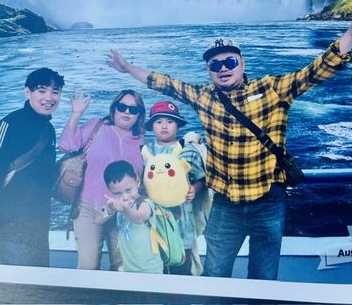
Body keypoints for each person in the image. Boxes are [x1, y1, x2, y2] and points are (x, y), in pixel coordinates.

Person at [107, 24, 352, 280]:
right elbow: (166, 84)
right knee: (214, 274)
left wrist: (349, 35)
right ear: (209, 70)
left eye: (230, 62)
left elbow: (315, 71)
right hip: (225, 204)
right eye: (215, 65)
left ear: (242, 64)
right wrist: (128, 68)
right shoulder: (204, 96)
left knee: (264, 277)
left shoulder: (271, 89)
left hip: (267, 202)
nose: (223, 68)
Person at [0, 67, 65, 267]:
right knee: (19, 281)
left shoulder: (48, 129)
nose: (49, 98)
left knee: (39, 279)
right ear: (28, 92)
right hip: (9, 221)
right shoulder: (9, 124)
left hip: (39, 221)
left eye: (55, 92)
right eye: (42, 90)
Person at [59, 89, 145, 270]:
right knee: (88, 267)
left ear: (139, 115)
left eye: (133, 109)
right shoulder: (96, 126)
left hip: (125, 212)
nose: (127, 112)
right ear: (114, 109)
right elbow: (67, 145)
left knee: (122, 267)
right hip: (89, 208)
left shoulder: (141, 141)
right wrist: (76, 114)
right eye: (122, 107)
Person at [142, 100, 205, 275]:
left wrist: (195, 189)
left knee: (181, 269)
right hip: (154, 222)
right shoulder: (146, 151)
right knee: (156, 269)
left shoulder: (188, 151)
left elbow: (201, 179)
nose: (164, 126)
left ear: (178, 125)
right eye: (159, 122)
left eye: (170, 121)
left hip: (182, 223)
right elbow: (141, 181)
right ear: (152, 126)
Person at [103, 160, 163, 274]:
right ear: (109, 191)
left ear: (137, 182)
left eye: (128, 190)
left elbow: (139, 218)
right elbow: (97, 219)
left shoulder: (145, 202)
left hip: (151, 269)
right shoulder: (117, 205)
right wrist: (109, 209)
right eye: (117, 193)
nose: (125, 196)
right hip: (127, 269)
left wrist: (125, 210)